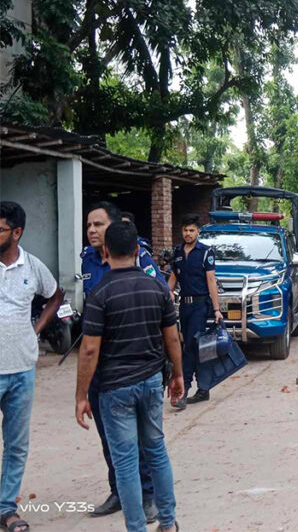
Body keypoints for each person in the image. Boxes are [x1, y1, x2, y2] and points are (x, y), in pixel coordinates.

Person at [75, 221, 184, 532]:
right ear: (138, 251)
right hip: (151, 382)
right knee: (156, 450)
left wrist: (81, 395)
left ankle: (136, 527)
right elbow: (172, 338)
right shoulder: (156, 287)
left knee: (125, 462)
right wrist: (177, 375)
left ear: (105, 251)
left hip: (114, 389)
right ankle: (168, 523)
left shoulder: (100, 293)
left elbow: (90, 351)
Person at [82, 201, 163, 521]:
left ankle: (147, 496)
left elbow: (159, 300)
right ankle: (118, 489)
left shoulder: (139, 257)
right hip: (100, 365)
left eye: (98, 225)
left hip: (134, 363)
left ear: (114, 227)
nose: (91, 230)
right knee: (108, 435)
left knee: (141, 439)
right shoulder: (88, 259)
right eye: (88, 225)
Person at [0, 201, 62, 532]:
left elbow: (55, 295)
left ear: (17, 232)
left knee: (16, 444)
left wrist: (35, 330)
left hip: (22, 369)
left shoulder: (32, 266)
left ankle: (7, 509)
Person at [167, 214, 223, 407]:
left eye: (192, 230)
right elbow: (174, 277)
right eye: (185, 230)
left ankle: (184, 391)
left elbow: (211, 281)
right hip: (184, 306)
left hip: (201, 306)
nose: (188, 234)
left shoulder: (206, 252)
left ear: (198, 231)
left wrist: (217, 309)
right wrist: (168, 295)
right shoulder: (178, 252)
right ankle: (204, 388)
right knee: (195, 347)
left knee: (190, 347)